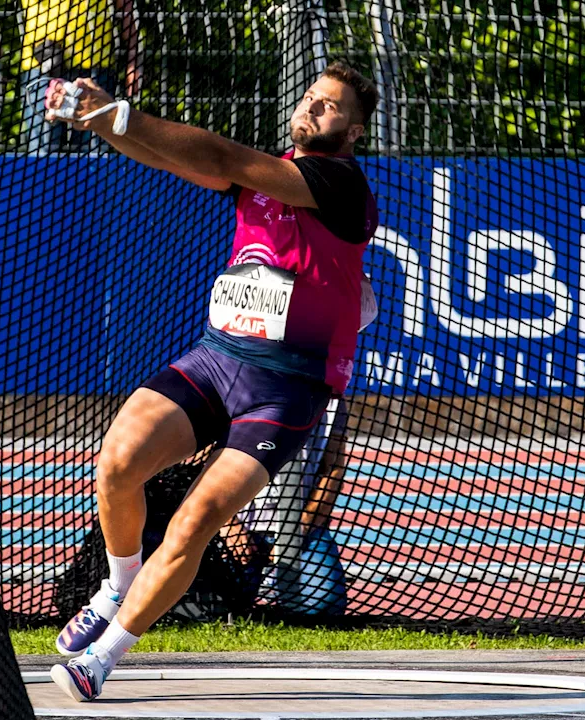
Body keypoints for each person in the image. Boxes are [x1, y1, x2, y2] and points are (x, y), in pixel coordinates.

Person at [42, 60, 380, 702]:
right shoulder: (270, 174)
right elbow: (172, 157)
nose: (312, 109)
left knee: (197, 516)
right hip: (217, 359)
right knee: (117, 462)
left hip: (286, 387)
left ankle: (105, 656)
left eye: (330, 106)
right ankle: (118, 582)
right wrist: (98, 118)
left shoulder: (337, 183)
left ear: (354, 130)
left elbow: (222, 152)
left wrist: (117, 113)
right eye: (310, 97)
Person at [0, 0, 141, 154]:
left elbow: (125, 10)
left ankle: (91, 200)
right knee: (43, 148)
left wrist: (134, 60)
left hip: (94, 69)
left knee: (93, 148)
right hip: (42, 69)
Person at [222, 396, 352, 617]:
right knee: (218, 604)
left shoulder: (330, 398)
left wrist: (298, 529)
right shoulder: (233, 385)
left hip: (301, 524)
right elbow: (199, 463)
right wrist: (228, 526)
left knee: (323, 607)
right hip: (234, 523)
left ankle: (280, 588)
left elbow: (334, 468)